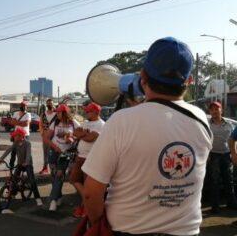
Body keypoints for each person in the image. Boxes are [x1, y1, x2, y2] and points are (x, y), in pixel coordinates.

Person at [82, 37, 213, 236]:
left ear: (143, 75)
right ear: (189, 80)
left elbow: (92, 193)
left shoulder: (121, 122)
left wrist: (97, 224)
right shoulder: (202, 119)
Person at [70, 102, 105, 218]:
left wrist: (82, 134)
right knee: (74, 179)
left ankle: (85, 208)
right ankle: (85, 203)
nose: (86, 112)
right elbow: (75, 133)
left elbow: (90, 138)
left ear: (95, 112)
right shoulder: (85, 123)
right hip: (80, 156)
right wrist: (83, 134)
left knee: (87, 185)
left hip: (90, 158)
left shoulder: (101, 124)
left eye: (88, 111)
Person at [44, 103, 80, 211]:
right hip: (54, 152)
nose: (57, 114)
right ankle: (58, 197)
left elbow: (79, 136)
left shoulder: (74, 123)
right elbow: (46, 138)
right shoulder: (55, 122)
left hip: (66, 153)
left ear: (64, 113)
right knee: (54, 175)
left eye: (59, 112)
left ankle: (53, 201)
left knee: (59, 174)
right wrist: (55, 147)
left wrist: (72, 139)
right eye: (57, 112)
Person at [0, 127, 43, 206]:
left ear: (21, 136)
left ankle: (38, 198)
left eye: (16, 136)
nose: (14, 137)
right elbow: (8, 150)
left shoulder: (27, 143)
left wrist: (26, 162)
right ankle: (12, 194)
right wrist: (1, 158)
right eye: (14, 136)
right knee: (14, 179)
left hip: (28, 164)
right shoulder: (15, 143)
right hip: (20, 164)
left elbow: (28, 154)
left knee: (32, 180)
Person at [207, 101, 237, 213]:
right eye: (212, 109)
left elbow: (233, 140)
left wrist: (233, 153)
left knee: (228, 180)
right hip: (213, 155)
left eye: (216, 109)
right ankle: (215, 206)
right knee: (214, 181)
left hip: (226, 155)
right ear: (210, 111)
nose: (214, 111)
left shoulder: (229, 124)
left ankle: (231, 203)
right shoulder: (207, 124)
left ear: (221, 110)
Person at [9, 101, 31, 168]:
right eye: (22, 105)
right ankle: (11, 166)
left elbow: (26, 124)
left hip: (25, 135)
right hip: (17, 135)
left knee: (24, 152)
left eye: (24, 106)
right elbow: (12, 122)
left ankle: (23, 166)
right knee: (14, 152)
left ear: (26, 107)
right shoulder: (15, 113)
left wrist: (17, 122)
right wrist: (21, 122)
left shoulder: (28, 114)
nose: (23, 107)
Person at [39, 98, 56, 174]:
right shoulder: (43, 114)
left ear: (53, 104)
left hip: (53, 135)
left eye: (51, 103)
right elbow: (40, 124)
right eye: (48, 103)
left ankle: (53, 168)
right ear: (46, 105)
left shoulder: (56, 114)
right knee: (45, 152)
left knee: (52, 152)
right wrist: (42, 133)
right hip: (45, 135)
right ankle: (45, 168)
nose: (49, 105)